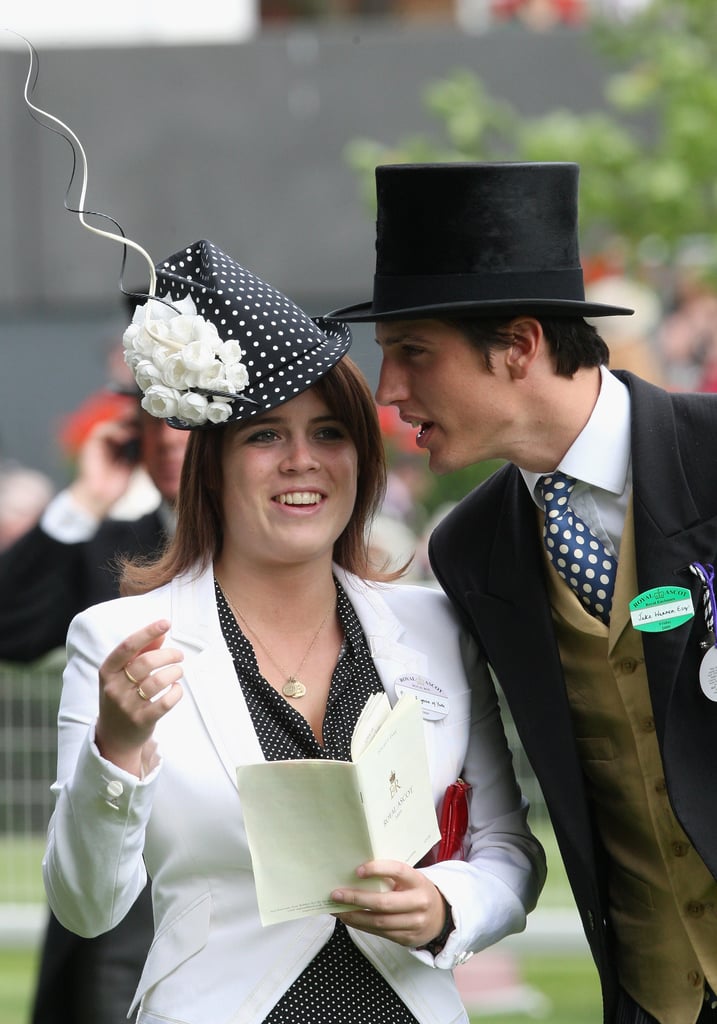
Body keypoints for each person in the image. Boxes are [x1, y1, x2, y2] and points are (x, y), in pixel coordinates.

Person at [42, 238, 545, 1024]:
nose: (302, 461)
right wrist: (118, 746)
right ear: (209, 463)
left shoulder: (436, 624)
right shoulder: (120, 640)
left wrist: (444, 905)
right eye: (266, 435)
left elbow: (506, 852)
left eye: (331, 434)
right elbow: (87, 906)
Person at [325, 162, 717, 1024]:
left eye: (412, 353)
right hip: (655, 997)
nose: (388, 393)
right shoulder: (471, 549)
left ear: (519, 345)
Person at [0, 347, 189, 1023]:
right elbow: (11, 630)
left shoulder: (287, 541)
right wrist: (82, 500)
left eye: (181, 416)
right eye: (149, 417)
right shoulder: (112, 536)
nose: (165, 436)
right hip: (114, 869)